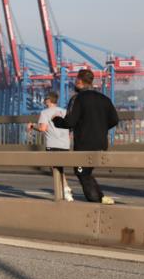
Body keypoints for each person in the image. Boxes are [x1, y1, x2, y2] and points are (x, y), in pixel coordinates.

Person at [52, 69, 120, 204]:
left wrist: (56, 120)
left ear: (79, 81)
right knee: (85, 172)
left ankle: (97, 199)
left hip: (84, 144)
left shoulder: (77, 98)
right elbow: (115, 120)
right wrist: (100, 128)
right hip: (101, 143)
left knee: (81, 171)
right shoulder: (104, 99)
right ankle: (100, 197)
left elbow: (70, 122)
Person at [27, 91, 75, 202]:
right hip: (65, 144)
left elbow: (42, 128)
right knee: (60, 168)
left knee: (54, 168)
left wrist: (32, 125)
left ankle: (66, 190)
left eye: (45, 100)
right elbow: (70, 128)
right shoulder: (65, 111)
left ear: (48, 100)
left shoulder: (45, 112)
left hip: (53, 144)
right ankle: (64, 190)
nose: (44, 102)